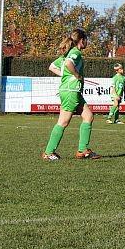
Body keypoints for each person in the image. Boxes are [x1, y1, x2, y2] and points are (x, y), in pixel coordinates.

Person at [41, 29, 99, 161]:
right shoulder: (75, 52)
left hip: (72, 91)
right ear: (82, 40)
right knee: (63, 122)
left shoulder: (67, 53)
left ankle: (82, 150)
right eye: (86, 40)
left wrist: (65, 75)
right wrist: (76, 75)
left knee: (88, 116)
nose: (87, 42)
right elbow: (68, 63)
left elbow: (52, 66)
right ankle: (48, 152)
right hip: (71, 91)